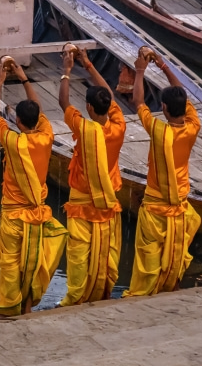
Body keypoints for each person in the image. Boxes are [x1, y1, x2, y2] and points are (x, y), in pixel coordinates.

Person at [0, 58, 67, 316]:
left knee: (11, 265)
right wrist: (23, 78)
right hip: (35, 214)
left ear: (18, 122)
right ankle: (27, 307)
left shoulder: (13, 141)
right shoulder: (46, 137)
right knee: (30, 263)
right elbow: (40, 111)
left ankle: (7, 309)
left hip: (13, 215)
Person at [123, 47, 202, 297]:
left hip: (156, 208)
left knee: (149, 258)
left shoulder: (158, 131)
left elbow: (138, 102)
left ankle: (146, 294)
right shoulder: (193, 127)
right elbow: (184, 96)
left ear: (165, 109)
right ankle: (172, 287)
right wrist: (164, 66)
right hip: (179, 207)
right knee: (174, 256)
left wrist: (140, 70)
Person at [57, 48, 125, 306]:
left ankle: (76, 298)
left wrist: (66, 71)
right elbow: (108, 93)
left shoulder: (84, 129)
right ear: (108, 105)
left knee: (78, 254)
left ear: (87, 107)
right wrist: (88, 64)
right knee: (105, 251)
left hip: (82, 202)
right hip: (107, 202)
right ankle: (102, 292)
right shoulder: (119, 127)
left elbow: (64, 103)